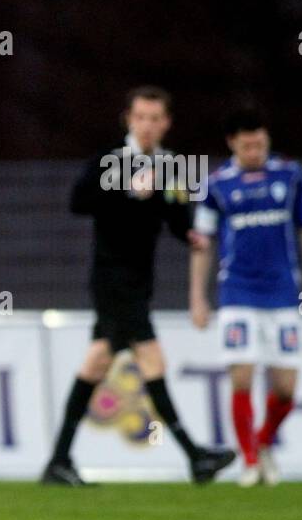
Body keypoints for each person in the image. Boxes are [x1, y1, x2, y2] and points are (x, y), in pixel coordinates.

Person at [42, 86, 236, 486]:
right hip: (113, 281)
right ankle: (195, 455)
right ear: (128, 119)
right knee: (152, 361)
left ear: (166, 123)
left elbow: (176, 214)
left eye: (155, 118)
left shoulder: (168, 165)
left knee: (95, 364)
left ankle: (58, 462)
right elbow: (77, 202)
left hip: (139, 281)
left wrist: (192, 236)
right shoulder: (112, 161)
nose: (147, 125)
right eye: (140, 117)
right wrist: (127, 190)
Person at [190, 107, 302, 486]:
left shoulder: (290, 174)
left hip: (283, 293)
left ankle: (263, 441)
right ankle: (250, 461)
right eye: (248, 144)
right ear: (232, 143)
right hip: (237, 291)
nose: (255, 150)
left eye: (261, 142)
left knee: (286, 388)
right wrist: (198, 298)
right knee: (242, 378)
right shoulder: (216, 184)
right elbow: (202, 244)